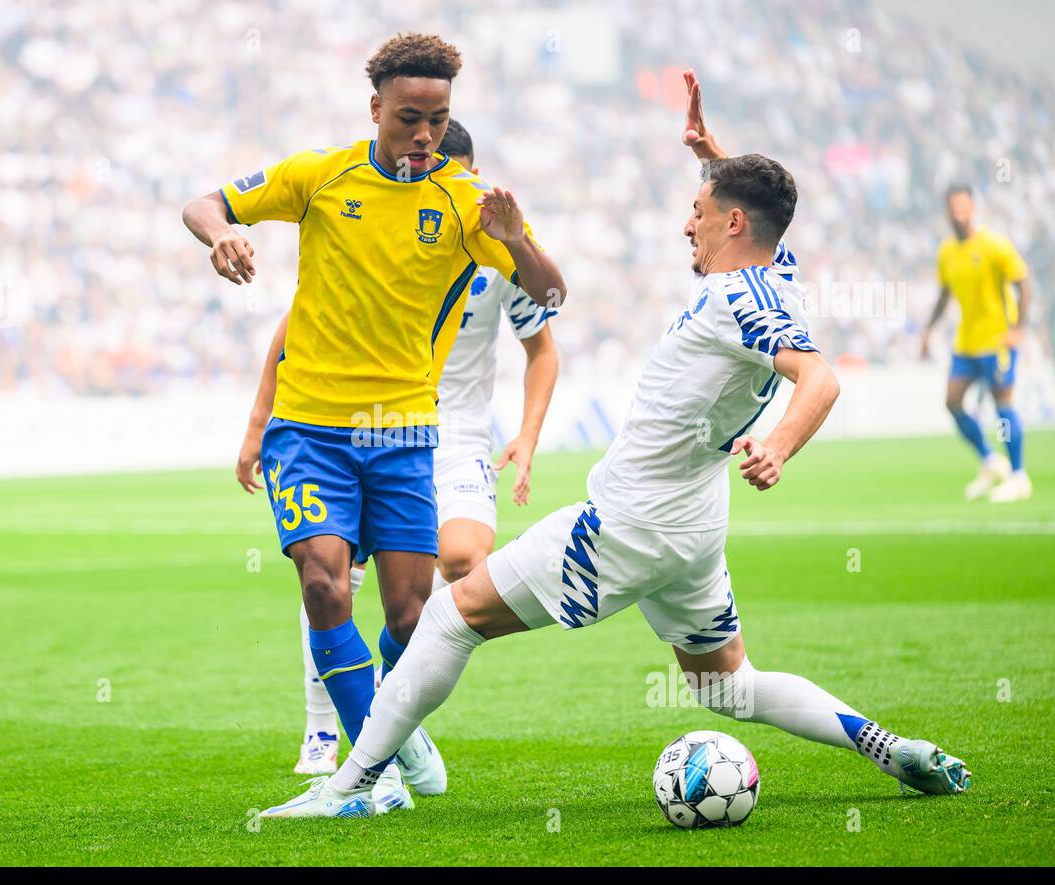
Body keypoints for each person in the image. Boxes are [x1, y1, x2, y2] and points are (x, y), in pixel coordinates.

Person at [260, 70, 969, 819]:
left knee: (448, 616)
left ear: (730, 225)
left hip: (628, 523)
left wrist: (780, 445)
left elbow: (820, 379)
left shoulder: (739, 299)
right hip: (694, 530)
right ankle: (890, 749)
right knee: (727, 685)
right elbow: (756, 215)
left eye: (698, 211)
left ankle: (352, 788)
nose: (685, 223)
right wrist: (709, 154)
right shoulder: (778, 273)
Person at [182, 33, 566, 817]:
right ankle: (370, 777)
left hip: (404, 434)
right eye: (409, 119)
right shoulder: (322, 175)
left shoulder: (464, 203)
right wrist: (220, 233)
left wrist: (518, 238)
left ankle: (390, 720)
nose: (424, 136)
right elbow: (205, 202)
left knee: (409, 615)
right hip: (310, 427)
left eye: (438, 120)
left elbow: (550, 296)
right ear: (376, 110)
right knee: (324, 583)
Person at [921, 185, 1032, 502]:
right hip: (966, 343)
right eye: (953, 207)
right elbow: (945, 294)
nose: (958, 212)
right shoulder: (946, 252)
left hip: (997, 340)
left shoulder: (994, 244)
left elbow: (1023, 282)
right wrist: (928, 330)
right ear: (948, 211)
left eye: (963, 206)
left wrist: (1018, 329)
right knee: (952, 402)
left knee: (1003, 404)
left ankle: (1018, 474)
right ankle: (990, 460)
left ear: (973, 208)